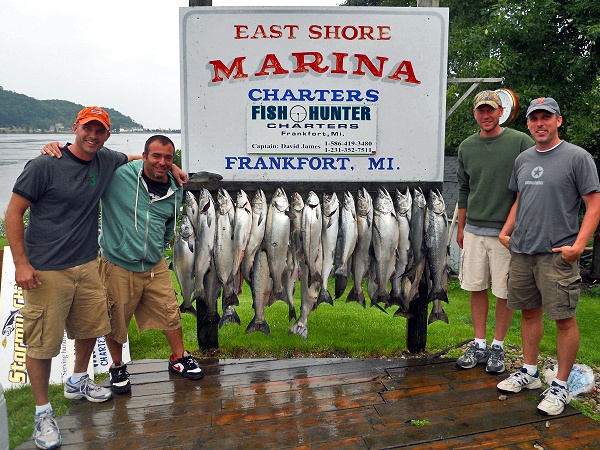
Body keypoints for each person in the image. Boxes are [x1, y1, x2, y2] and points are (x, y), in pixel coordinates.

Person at [5, 107, 128, 450]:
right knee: (42, 343)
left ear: (107, 135)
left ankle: (77, 380)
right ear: (75, 128)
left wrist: (173, 165)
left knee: (90, 327)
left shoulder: (106, 160)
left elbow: (140, 157)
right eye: (87, 128)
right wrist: (21, 264)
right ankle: (42, 412)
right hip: (45, 270)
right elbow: (13, 213)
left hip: (87, 263)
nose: (93, 135)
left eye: (100, 130)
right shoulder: (45, 164)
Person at [497, 97, 600, 416]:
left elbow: (594, 205)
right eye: (534, 118)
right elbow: (520, 200)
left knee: (564, 320)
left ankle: (561, 386)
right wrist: (505, 231)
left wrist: (579, 244)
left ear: (558, 121)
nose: (540, 123)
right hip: (523, 251)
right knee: (529, 313)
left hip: (557, 255)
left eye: (546, 117)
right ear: (527, 123)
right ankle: (528, 373)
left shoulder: (577, 158)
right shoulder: (523, 159)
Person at [98, 135, 203, 394]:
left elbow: (169, 226)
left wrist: (160, 248)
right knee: (115, 319)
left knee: (170, 312)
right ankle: (117, 365)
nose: (162, 162)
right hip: (117, 263)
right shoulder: (119, 175)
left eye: (169, 158)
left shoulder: (175, 188)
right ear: (144, 156)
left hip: (155, 264)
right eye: (156, 156)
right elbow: (89, 157)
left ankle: (178, 358)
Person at [456, 90, 534, 374]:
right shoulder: (467, 147)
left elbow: (529, 186)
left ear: (501, 111)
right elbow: (464, 189)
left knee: (504, 291)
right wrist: (461, 226)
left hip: (507, 232)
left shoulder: (520, 142)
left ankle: (498, 347)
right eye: (481, 111)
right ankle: (479, 344)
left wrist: (514, 227)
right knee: (476, 288)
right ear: (475, 114)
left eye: (491, 110)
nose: (486, 115)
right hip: (474, 229)